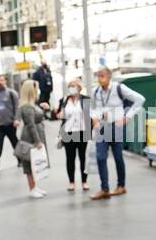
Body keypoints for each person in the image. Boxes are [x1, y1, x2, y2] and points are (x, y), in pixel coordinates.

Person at [88, 66, 144, 200]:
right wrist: (94, 118)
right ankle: (104, 189)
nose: (100, 79)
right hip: (102, 127)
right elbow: (92, 107)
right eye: (98, 76)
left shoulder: (119, 88)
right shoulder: (96, 91)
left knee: (118, 156)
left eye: (102, 76)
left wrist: (127, 117)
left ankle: (121, 186)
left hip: (116, 126)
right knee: (101, 157)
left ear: (109, 77)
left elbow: (140, 99)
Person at [55, 79, 89, 191]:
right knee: (70, 158)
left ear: (79, 87)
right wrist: (58, 114)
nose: (71, 88)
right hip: (68, 133)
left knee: (83, 158)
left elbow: (91, 115)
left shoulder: (86, 100)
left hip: (82, 132)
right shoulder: (64, 100)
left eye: (73, 86)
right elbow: (58, 114)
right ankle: (71, 182)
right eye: (70, 86)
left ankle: (84, 181)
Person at [16, 79, 48, 198]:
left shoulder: (32, 105)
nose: (38, 91)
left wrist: (43, 109)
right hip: (30, 137)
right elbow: (31, 125)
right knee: (29, 163)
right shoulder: (27, 106)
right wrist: (37, 141)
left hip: (34, 135)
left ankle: (35, 186)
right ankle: (32, 188)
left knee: (35, 162)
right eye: (36, 89)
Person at [0, 73, 20, 172]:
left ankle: (21, 160)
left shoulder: (11, 93)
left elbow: (17, 107)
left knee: (15, 142)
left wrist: (17, 119)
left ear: (5, 81)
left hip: (10, 123)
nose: (0, 82)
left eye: (2, 80)